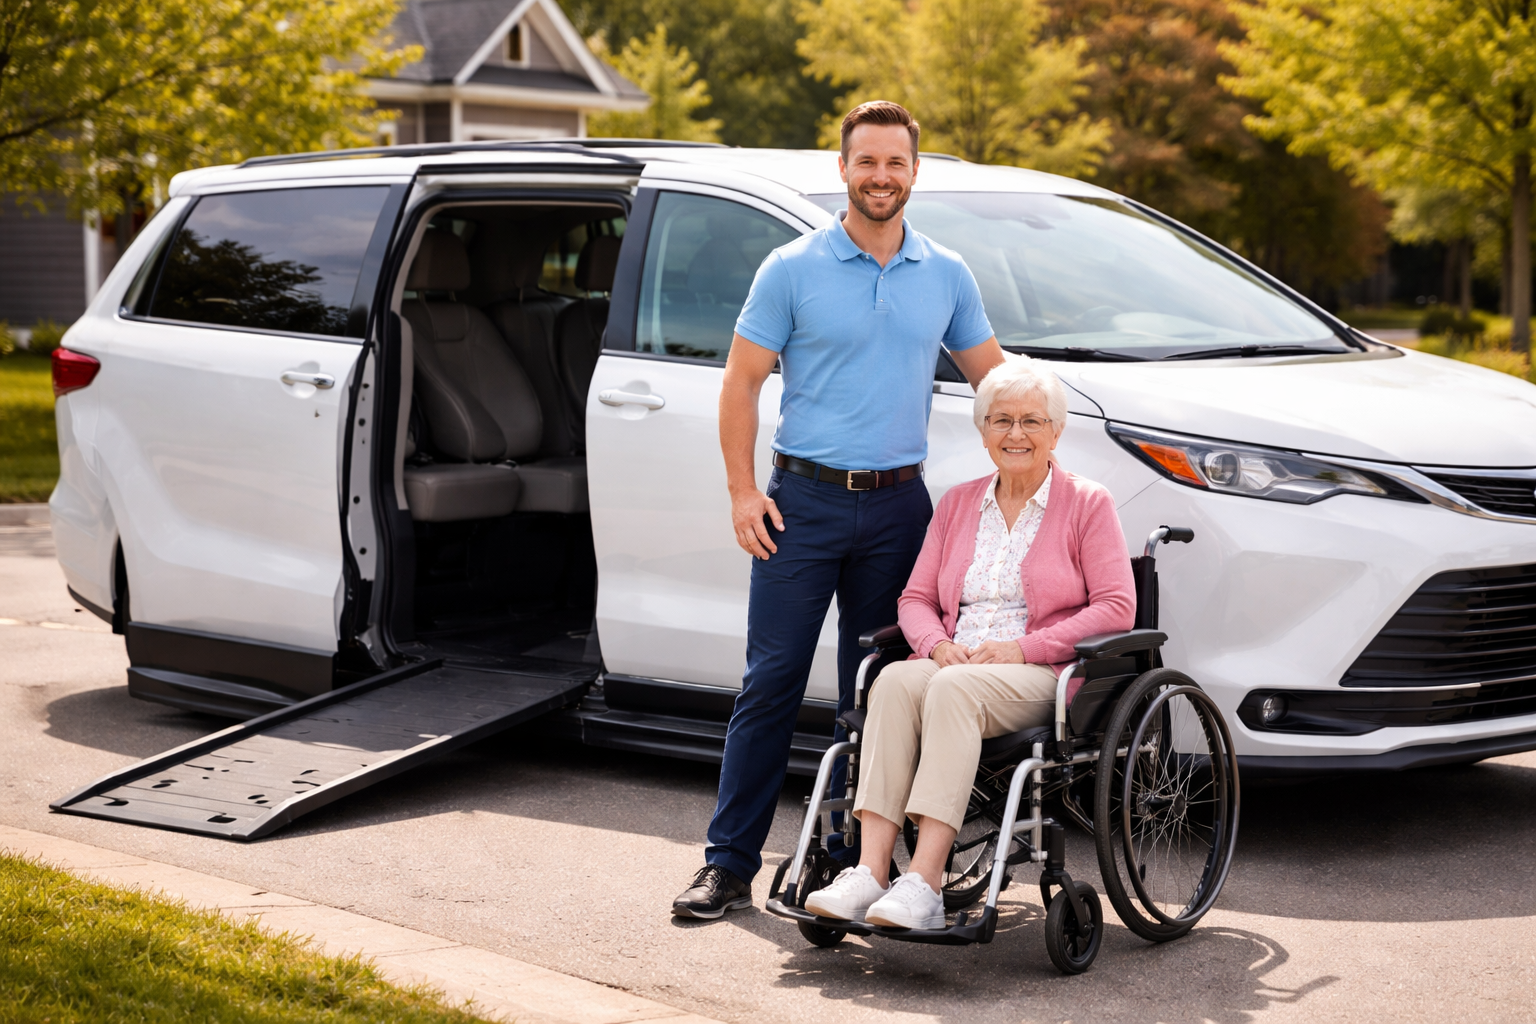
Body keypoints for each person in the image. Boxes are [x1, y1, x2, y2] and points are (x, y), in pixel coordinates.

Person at [671, 100, 1007, 918]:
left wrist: (1044, 470)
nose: (881, 177)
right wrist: (743, 491)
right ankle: (727, 865)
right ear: (843, 168)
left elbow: (998, 386)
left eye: (896, 163)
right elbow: (741, 384)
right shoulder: (791, 267)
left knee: (882, 690)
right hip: (802, 505)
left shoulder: (947, 274)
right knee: (772, 682)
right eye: (868, 162)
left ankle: (858, 863)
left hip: (900, 513)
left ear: (915, 172)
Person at [802, 356, 1136, 929]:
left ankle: (925, 883)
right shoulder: (958, 503)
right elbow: (914, 599)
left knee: (954, 690)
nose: (1016, 434)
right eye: (1001, 420)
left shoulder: (1088, 503)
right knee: (896, 678)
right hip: (955, 664)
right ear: (983, 432)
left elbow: (1116, 607)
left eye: (1031, 421)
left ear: (1057, 431)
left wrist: (1024, 649)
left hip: (1041, 674)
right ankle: (870, 870)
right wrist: (934, 645)